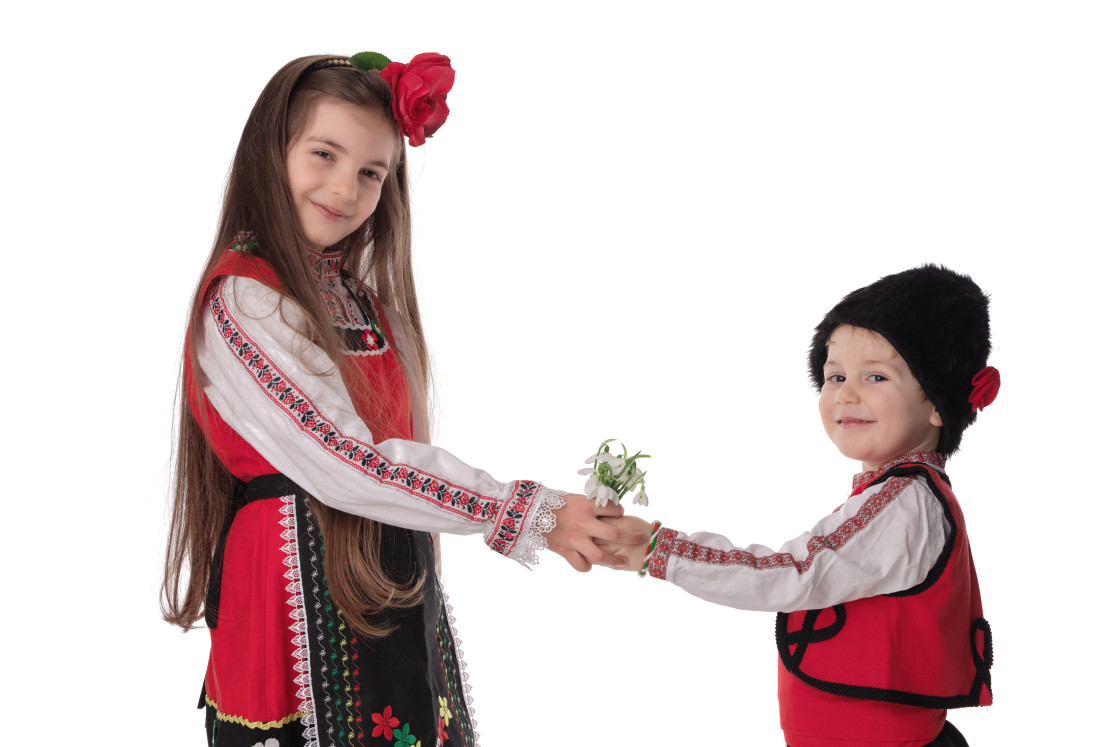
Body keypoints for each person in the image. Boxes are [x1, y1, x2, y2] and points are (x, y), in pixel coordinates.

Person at [161, 52, 640, 747]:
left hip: (388, 584)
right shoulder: (245, 296)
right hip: (290, 594)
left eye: (370, 173)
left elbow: (396, 470)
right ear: (273, 152)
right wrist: (524, 511)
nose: (344, 188)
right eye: (323, 154)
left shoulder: (371, 306)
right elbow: (346, 463)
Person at [602, 265, 998, 747]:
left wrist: (659, 550)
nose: (846, 393)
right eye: (834, 376)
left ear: (938, 404)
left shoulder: (902, 502)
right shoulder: (904, 493)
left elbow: (794, 572)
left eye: (876, 376)